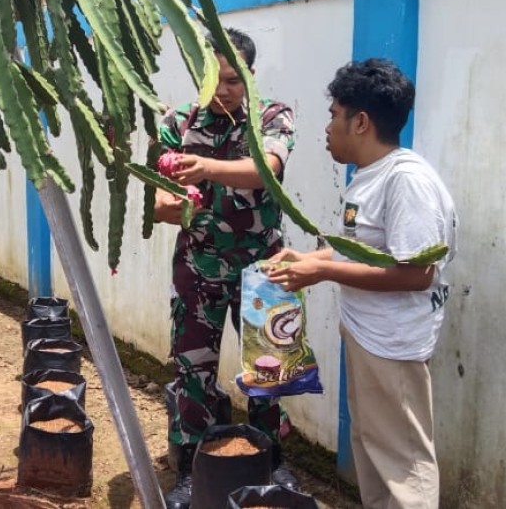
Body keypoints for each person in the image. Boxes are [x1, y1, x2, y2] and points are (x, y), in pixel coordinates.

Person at [266, 58, 458, 509]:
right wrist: (311, 258)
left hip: (393, 345)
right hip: (369, 338)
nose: (328, 127)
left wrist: (323, 271)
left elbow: (416, 273)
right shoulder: (371, 178)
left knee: (403, 467)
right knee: (375, 451)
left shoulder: (405, 181)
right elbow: (364, 250)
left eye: (334, 114)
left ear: (362, 121)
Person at [153, 28, 298, 509]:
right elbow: (157, 199)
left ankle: (271, 461)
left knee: (270, 371)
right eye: (213, 78)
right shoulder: (177, 121)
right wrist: (174, 205)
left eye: (234, 80)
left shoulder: (272, 116)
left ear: (251, 78)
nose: (223, 90)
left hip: (265, 268)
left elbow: (267, 168)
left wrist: (205, 169)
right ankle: (192, 469)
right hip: (199, 267)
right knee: (192, 370)